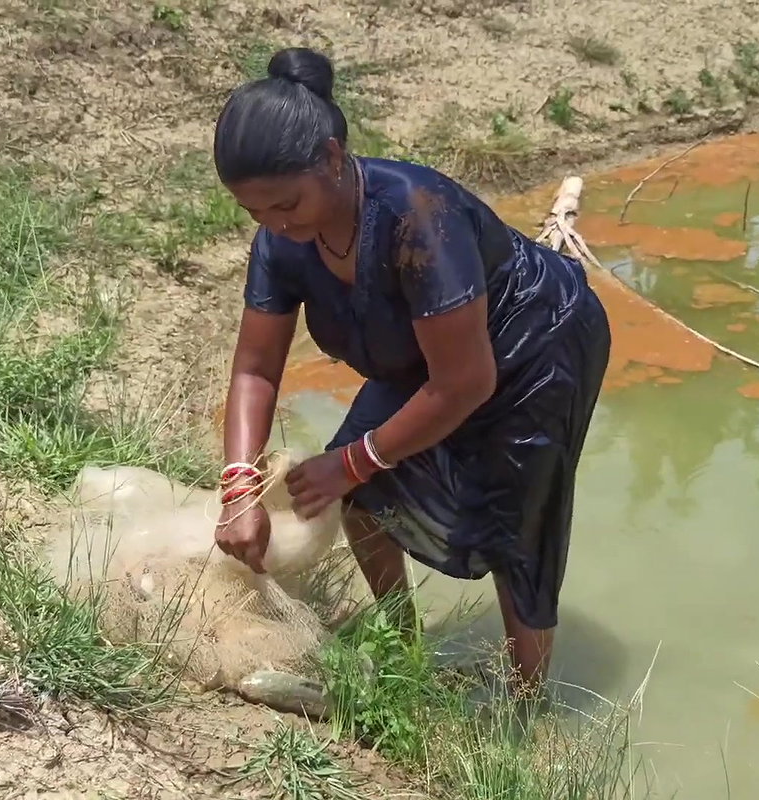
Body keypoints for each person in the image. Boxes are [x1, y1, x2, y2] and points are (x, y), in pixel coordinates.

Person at [210, 46, 611, 693]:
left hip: (535, 344)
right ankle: (403, 651)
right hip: (427, 355)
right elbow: (256, 368)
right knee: (360, 495)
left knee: (518, 529)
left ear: (335, 160)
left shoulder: (416, 218)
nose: (275, 225)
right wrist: (238, 491)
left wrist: (350, 461)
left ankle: (525, 708)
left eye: (286, 204)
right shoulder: (282, 242)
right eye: (255, 213)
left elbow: (467, 383)